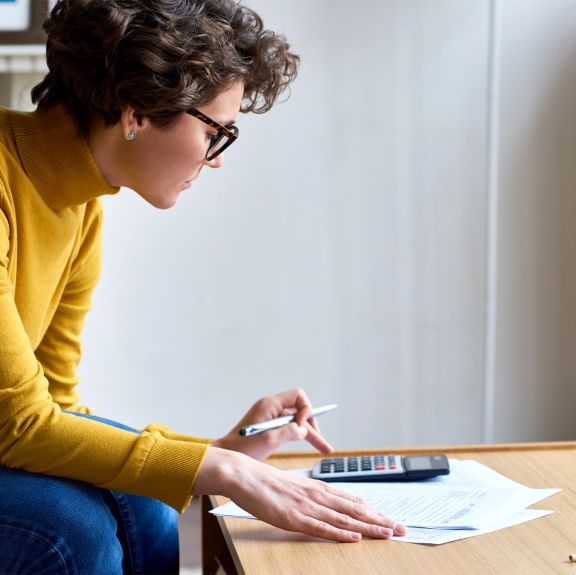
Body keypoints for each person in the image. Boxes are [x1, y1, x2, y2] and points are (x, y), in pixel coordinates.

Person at [0, 0, 406, 572]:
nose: (215, 160)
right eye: (218, 131)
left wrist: (221, 451)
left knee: (145, 506)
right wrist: (218, 470)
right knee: (70, 533)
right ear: (136, 110)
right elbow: (19, 427)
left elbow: (57, 407)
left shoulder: (81, 206)